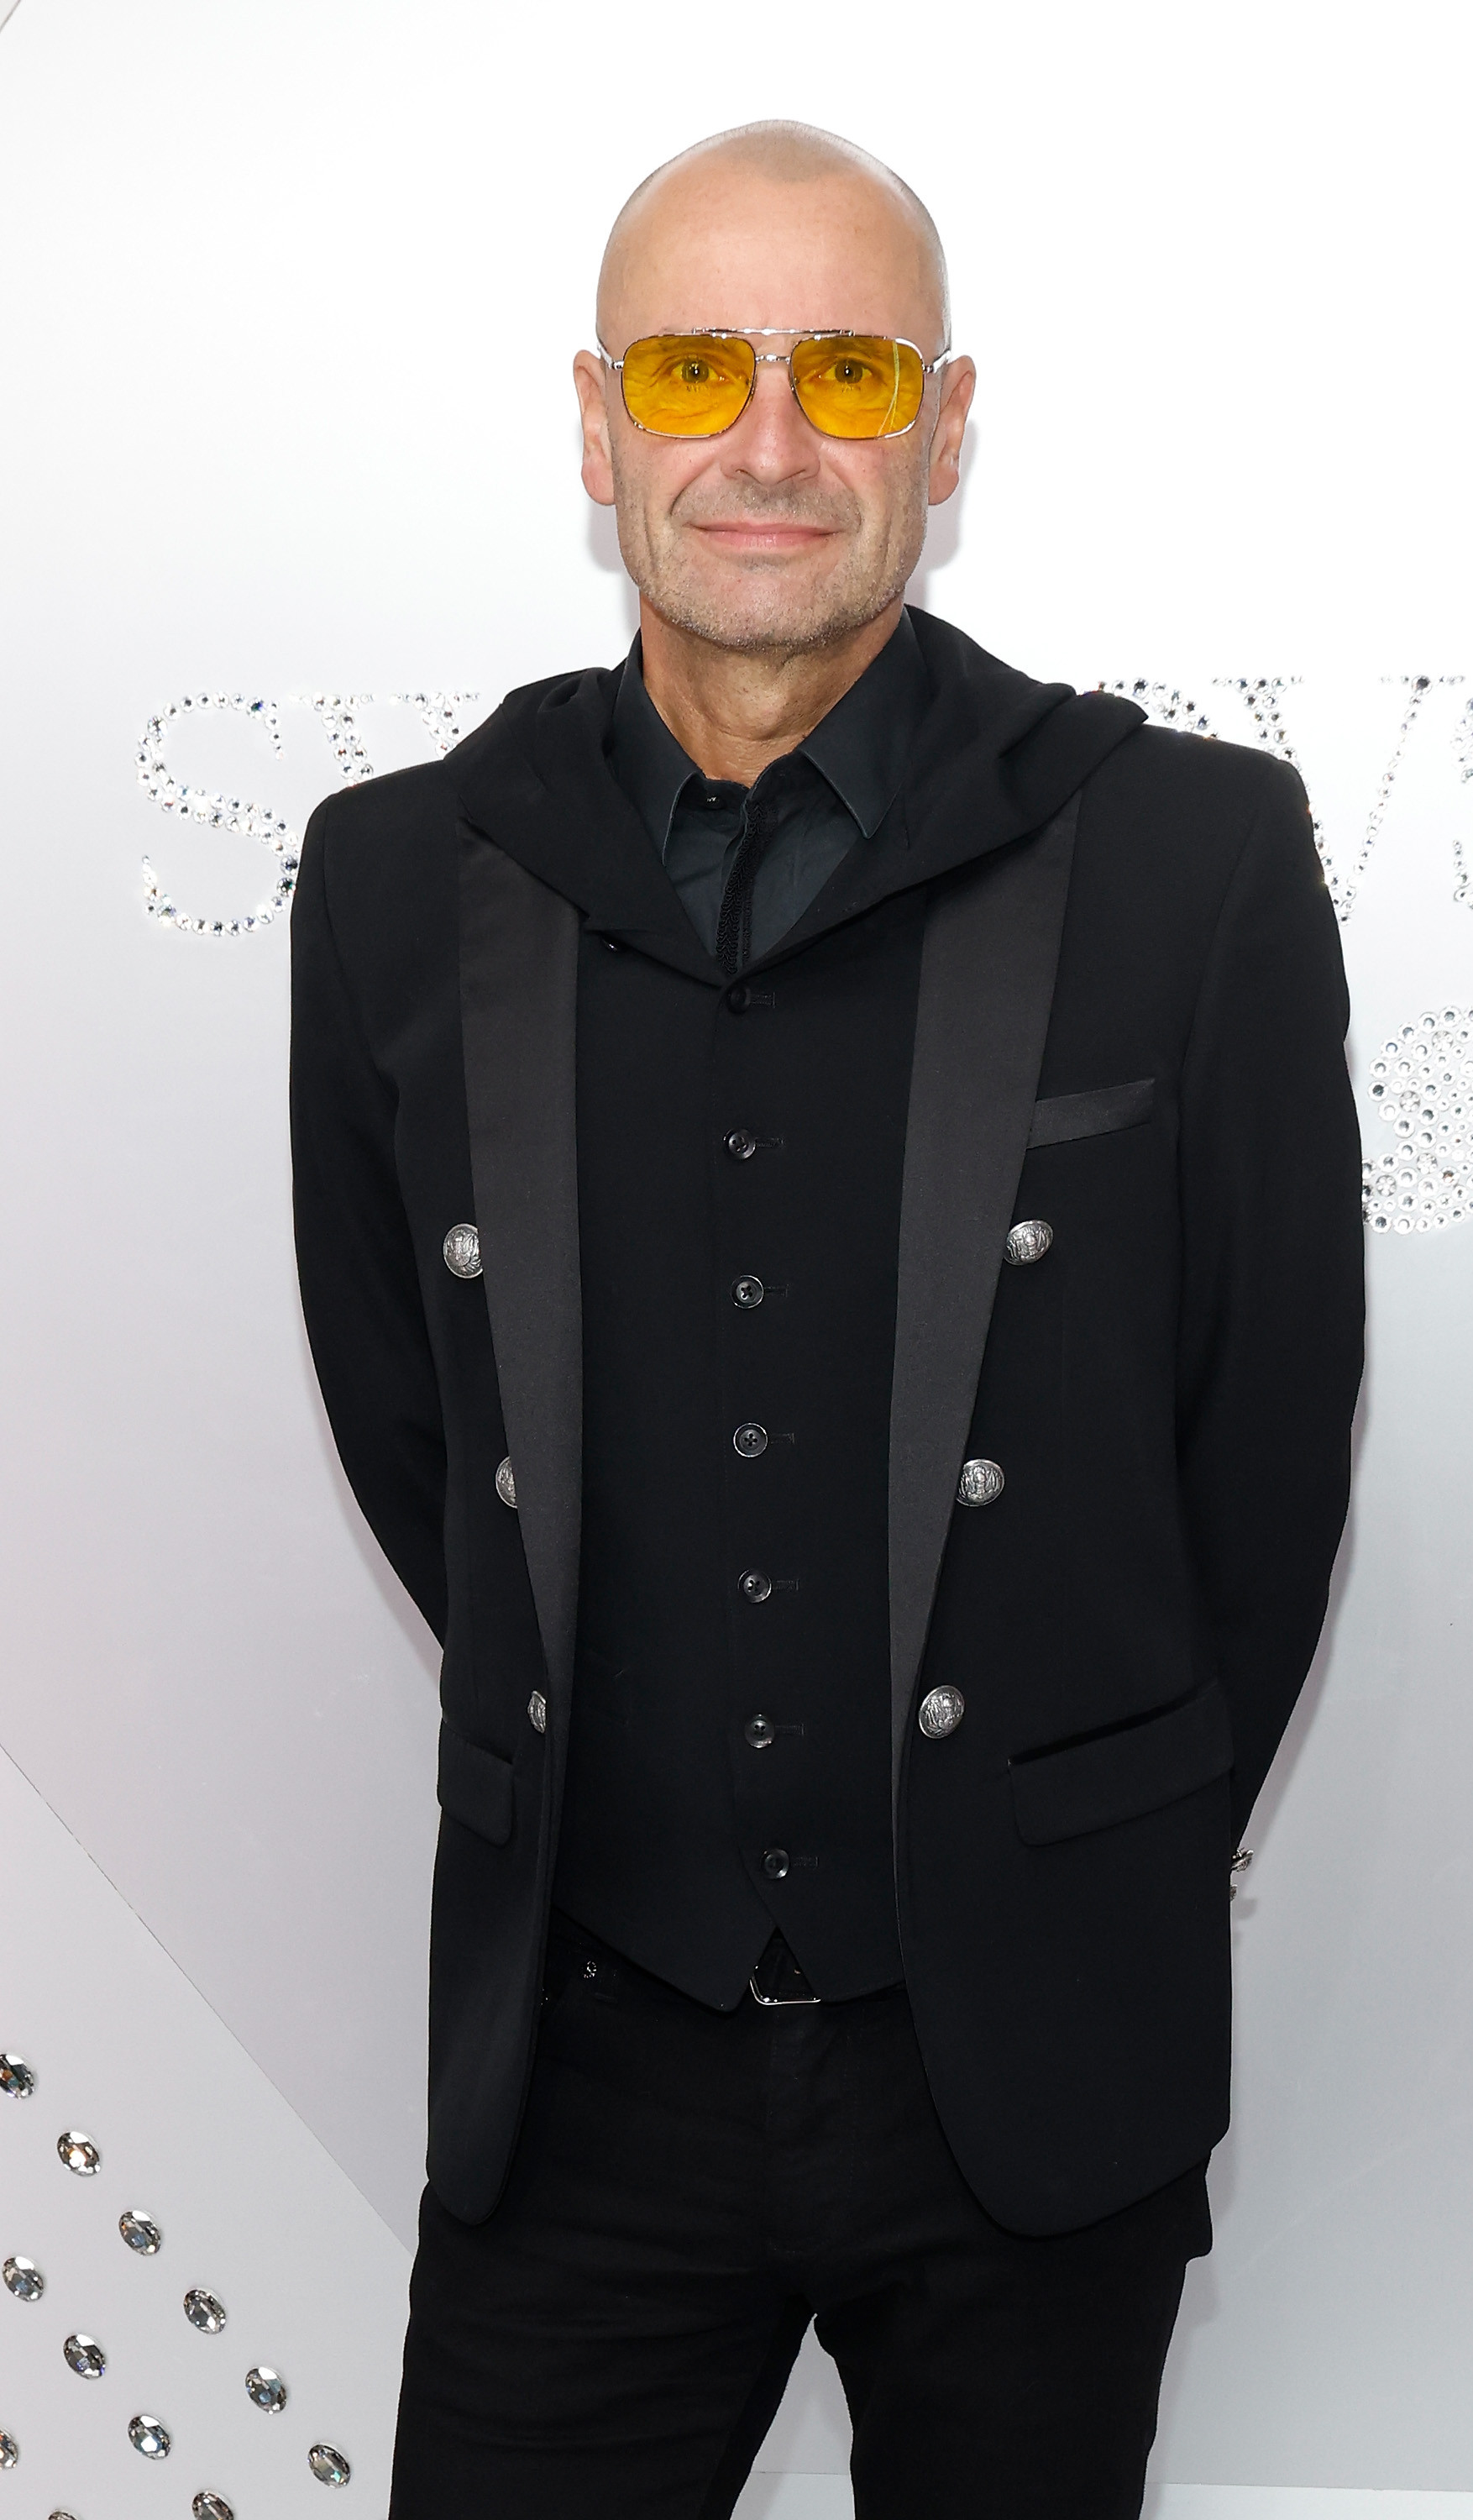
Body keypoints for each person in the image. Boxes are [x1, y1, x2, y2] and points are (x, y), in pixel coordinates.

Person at [291, 118, 1364, 2520]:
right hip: (583, 2063)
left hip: (1029, 2070)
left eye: (848, 371)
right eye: (697, 366)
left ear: (945, 431)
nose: (769, 441)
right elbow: (411, 1424)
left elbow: (1268, 1449)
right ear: (599, 428)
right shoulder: (392, 880)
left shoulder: (1191, 858)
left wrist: (1071, 1847)